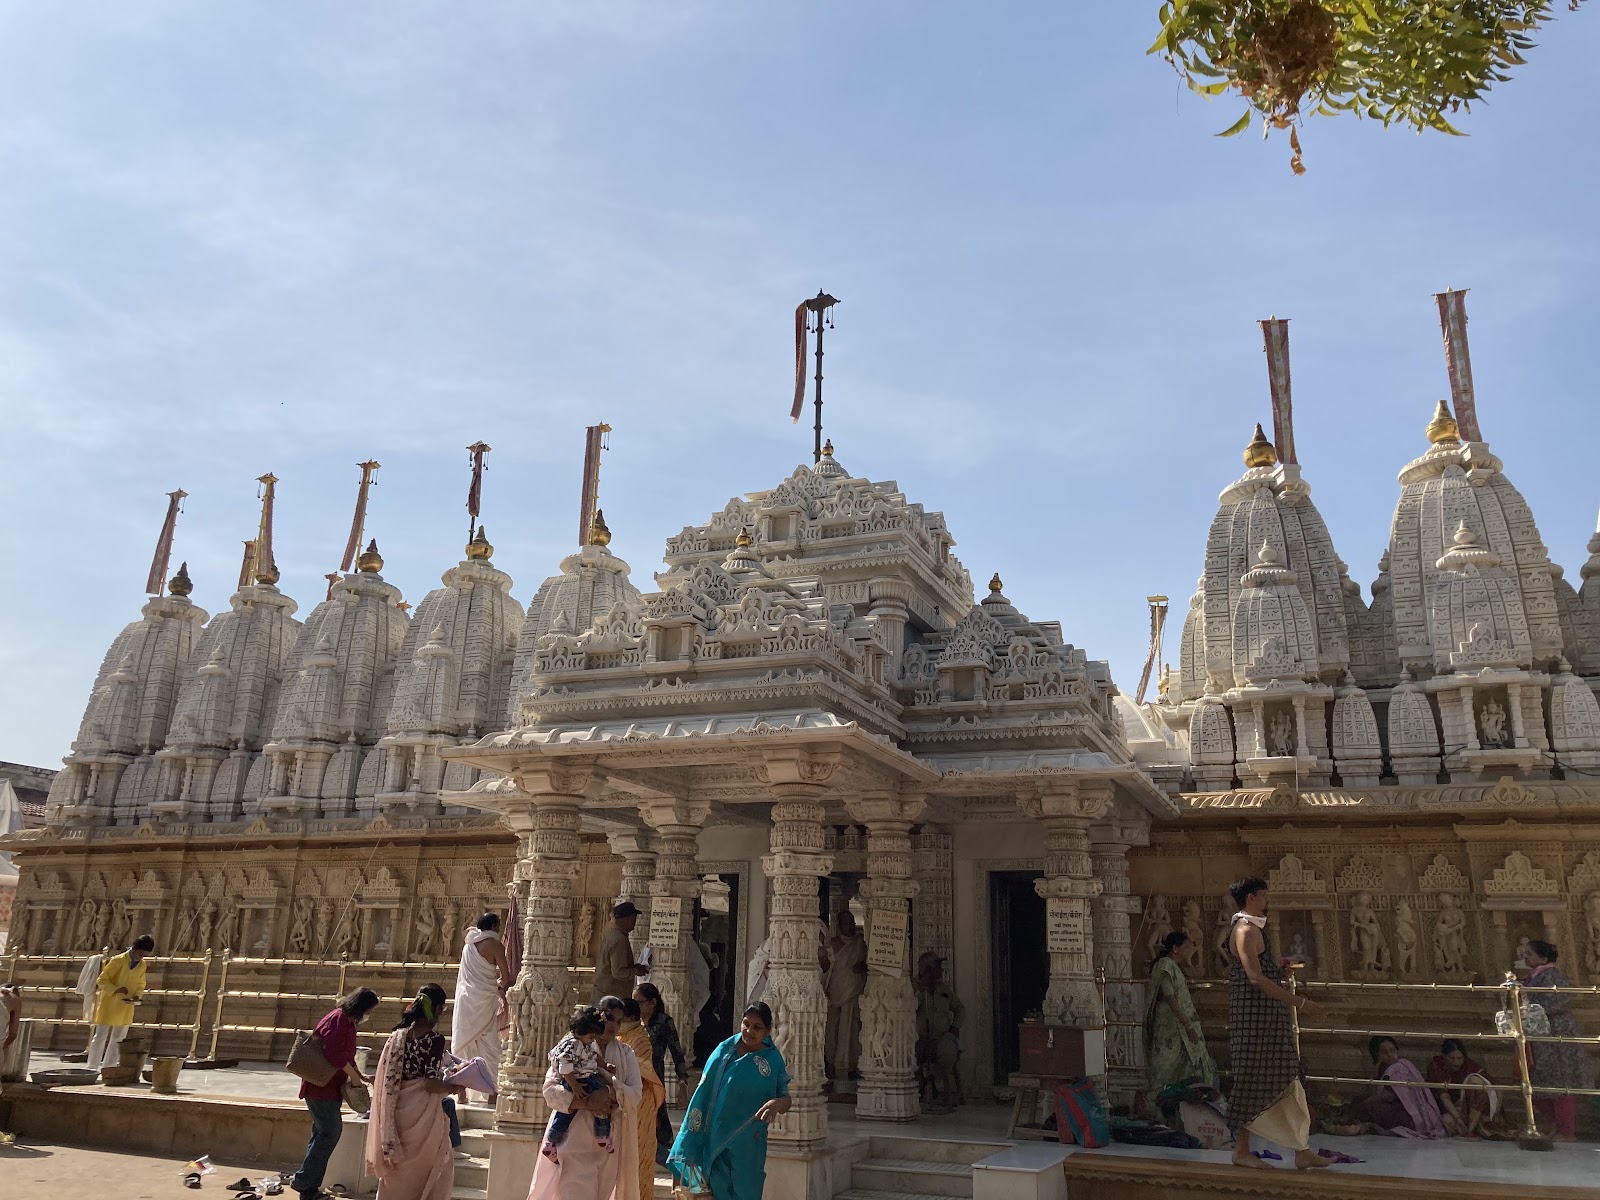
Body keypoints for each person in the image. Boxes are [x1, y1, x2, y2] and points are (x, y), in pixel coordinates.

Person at [1224, 878, 1331, 1171]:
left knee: (1288, 1075)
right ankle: (1241, 1150)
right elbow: (1254, 977)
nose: (1267, 900)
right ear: (1250, 898)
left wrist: (1279, 968)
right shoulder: (1244, 931)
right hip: (1252, 1017)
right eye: (1263, 896)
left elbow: (1262, 971)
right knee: (1249, 1078)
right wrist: (1300, 1003)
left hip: (1268, 1016)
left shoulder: (1255, 929)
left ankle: (1302, 1149)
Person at [668, 1003, 791, 1200]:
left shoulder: (772, 1060)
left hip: (749, 1145)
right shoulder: (724, 1051)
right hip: (715, 1141)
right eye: (746, 1024)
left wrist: (776, 1104)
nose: (749, 1031)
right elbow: (703, 1093)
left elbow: (786, 1098)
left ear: (768, 1031)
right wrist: (689, 1142)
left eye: (757, 1027)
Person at [527, 996, 642, 1200]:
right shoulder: (570, 1047)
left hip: (609, 1139)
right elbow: (550, 1090)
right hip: (573, 1137)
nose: (613, 1026)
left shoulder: (626, 1054)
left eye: (618, 1021)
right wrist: (586, 1102)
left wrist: (607, 1093)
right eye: (610, 1019)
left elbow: (635, 1094)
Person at [366, 983, 463, 1200]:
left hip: (397, 1113)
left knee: (397, 1172)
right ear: (437, 1009)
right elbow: (430, 1083)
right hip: (422, 1115)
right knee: (426, 1170)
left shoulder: (396, 1037)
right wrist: (454, 1087)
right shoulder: (434, 1040)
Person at [292, 987, 380, 1200]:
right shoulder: (338, 1019)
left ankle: (309, 1186)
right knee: (330, 1132)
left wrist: (361, 1075)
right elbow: (334, 1054)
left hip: (328, 1087)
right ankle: (305, 1182)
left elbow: (347, 1056)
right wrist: (355, 1077)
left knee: (322, 1134)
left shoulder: (346, 1023)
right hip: (321, 1088)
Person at [1521, 939, 1593, 1140]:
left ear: (1543, 958)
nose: (1525, 957)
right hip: (1542, 1033)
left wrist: (1527, 1009)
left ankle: (1566, 1130)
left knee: (1560, 1082)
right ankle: (1555, 1125)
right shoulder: (1535, 976)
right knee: (1542, 1081)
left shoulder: (1552, 975)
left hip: (1556, 1032)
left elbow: (1554, 1002)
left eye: (1530, 954)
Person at [1144, 930, 1217, 1095]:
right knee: (1165, 1066)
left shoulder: (1173, 966)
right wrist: (1187, 1025)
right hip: (1170, 1025)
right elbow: (1170, 997)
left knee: (1189, 1066)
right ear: (1175, 948)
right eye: (1186, 946)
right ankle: (1160, 1106)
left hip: (1178, 1024)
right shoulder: (1165, 965)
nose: (1189, 949)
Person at [451, 912, 511, 1106]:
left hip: (466, 999)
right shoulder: (495, 945)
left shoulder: (469, 945)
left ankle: (461, 1093)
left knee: (462, 1044)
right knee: (491, 1047)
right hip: (484, 1000)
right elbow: (506, 976)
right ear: (494, 927)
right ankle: (493, 1092)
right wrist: (501, 987)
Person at [543, 1006, 616, 1162]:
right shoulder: (570, 1045)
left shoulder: (588, 1043)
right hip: (577, 1081)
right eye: (591, 1036)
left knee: (603, 1104)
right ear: (578, 1032)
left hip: (590, 1077)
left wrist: (606, 1065)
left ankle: (602, 1134)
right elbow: (565, 1068)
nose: (593, 1039)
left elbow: (595, 1056)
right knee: (567, 1112)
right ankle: (551, 1141)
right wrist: (575, 1086)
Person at [1343, 1037, 1445, 1137]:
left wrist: (1373, 1099)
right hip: (1396, 1109)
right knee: (1359, 1099)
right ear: (1377, 1055)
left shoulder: (1398, 1068)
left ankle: (1351, 1126)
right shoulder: (1384, 1068)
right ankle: (1348, 1123)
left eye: (1392, 1050)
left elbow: (1393, 1097)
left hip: (1410, 1116)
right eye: (1385, 1052)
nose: (1390, 1055)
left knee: (1369, 1106)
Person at [615, 997, 665, 1200]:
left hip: (640, 1103)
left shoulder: (640, 1039)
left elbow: (638, 1069)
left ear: (631, 1018)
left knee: (639, 1157)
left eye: (620, 1019)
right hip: (623, 1103)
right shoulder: (622, 1037)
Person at [634, 982, 688, 1165]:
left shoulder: (664, 1022)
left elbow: (676, 1052)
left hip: (655, 1078)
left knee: (659, 1120)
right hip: (635, 1079)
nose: (637, 1007)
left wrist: (683, 1083)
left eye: (639, 1002)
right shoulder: (633, 1025)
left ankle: (673, 1162)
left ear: (652, 1002)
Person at [88, 933, 154, 1073]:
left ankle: (109, 1067)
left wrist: (137, 996)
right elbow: (102, 980)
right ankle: (92, 1067)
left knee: (118, 1039)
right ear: (135, 948)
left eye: (145, 955)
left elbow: (141, 984)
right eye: (141, 953)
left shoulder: (142, 965)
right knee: (100, 1036)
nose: (142, 957)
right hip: (110, 1003)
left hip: (127, 1005)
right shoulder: (118, 960)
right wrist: (115, 989)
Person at [1426, 1038, 1508, 1138]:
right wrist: (1458, 1119)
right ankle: (1471, 1128)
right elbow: (1444, 1097)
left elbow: (1498, 1087)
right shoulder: (1436, 1066)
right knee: (1447, 1122)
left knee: (1475, 1081)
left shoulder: (1470, 1066)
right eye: (1452, 1058)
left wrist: (1496, 1111)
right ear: (1444, 1057)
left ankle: (1477, 1126)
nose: (1456, 1062)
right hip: (1452, 1110)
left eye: (1459, 1059)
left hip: (1474, 1110)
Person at [915, 951, 963, 1112]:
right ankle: (920, 1090)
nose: (940, 971)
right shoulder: (915, 988)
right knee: (911, 1058)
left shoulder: (944, 989)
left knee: (948, 1053)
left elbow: (959, 1008)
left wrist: (955, 1027)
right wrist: (922, 990)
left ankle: (950, 1095)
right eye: (937, 968)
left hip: (942, 1036)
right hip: (920, 1037)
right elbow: (911, 1008)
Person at [824, 911, 867, 1080]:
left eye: (851, 922)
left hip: (853, 992)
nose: (849, 926)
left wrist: (862, 967)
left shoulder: (860, 945)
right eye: (845, 923)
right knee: (832, 1030)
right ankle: (832, 1064)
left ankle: (850, 1065)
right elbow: (826, 970)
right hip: (834, 993)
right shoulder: (833, 945)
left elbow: (868, 966)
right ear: (840, 925)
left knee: (851, 1029)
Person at [594, 903, 649, 1005]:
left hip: (605, 993)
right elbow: (618, 972)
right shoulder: (619, 939)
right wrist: (635, 971)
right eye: (634, 918)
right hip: (611, 996)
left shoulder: (613, 935)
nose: (635, 921)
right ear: (628, 918)